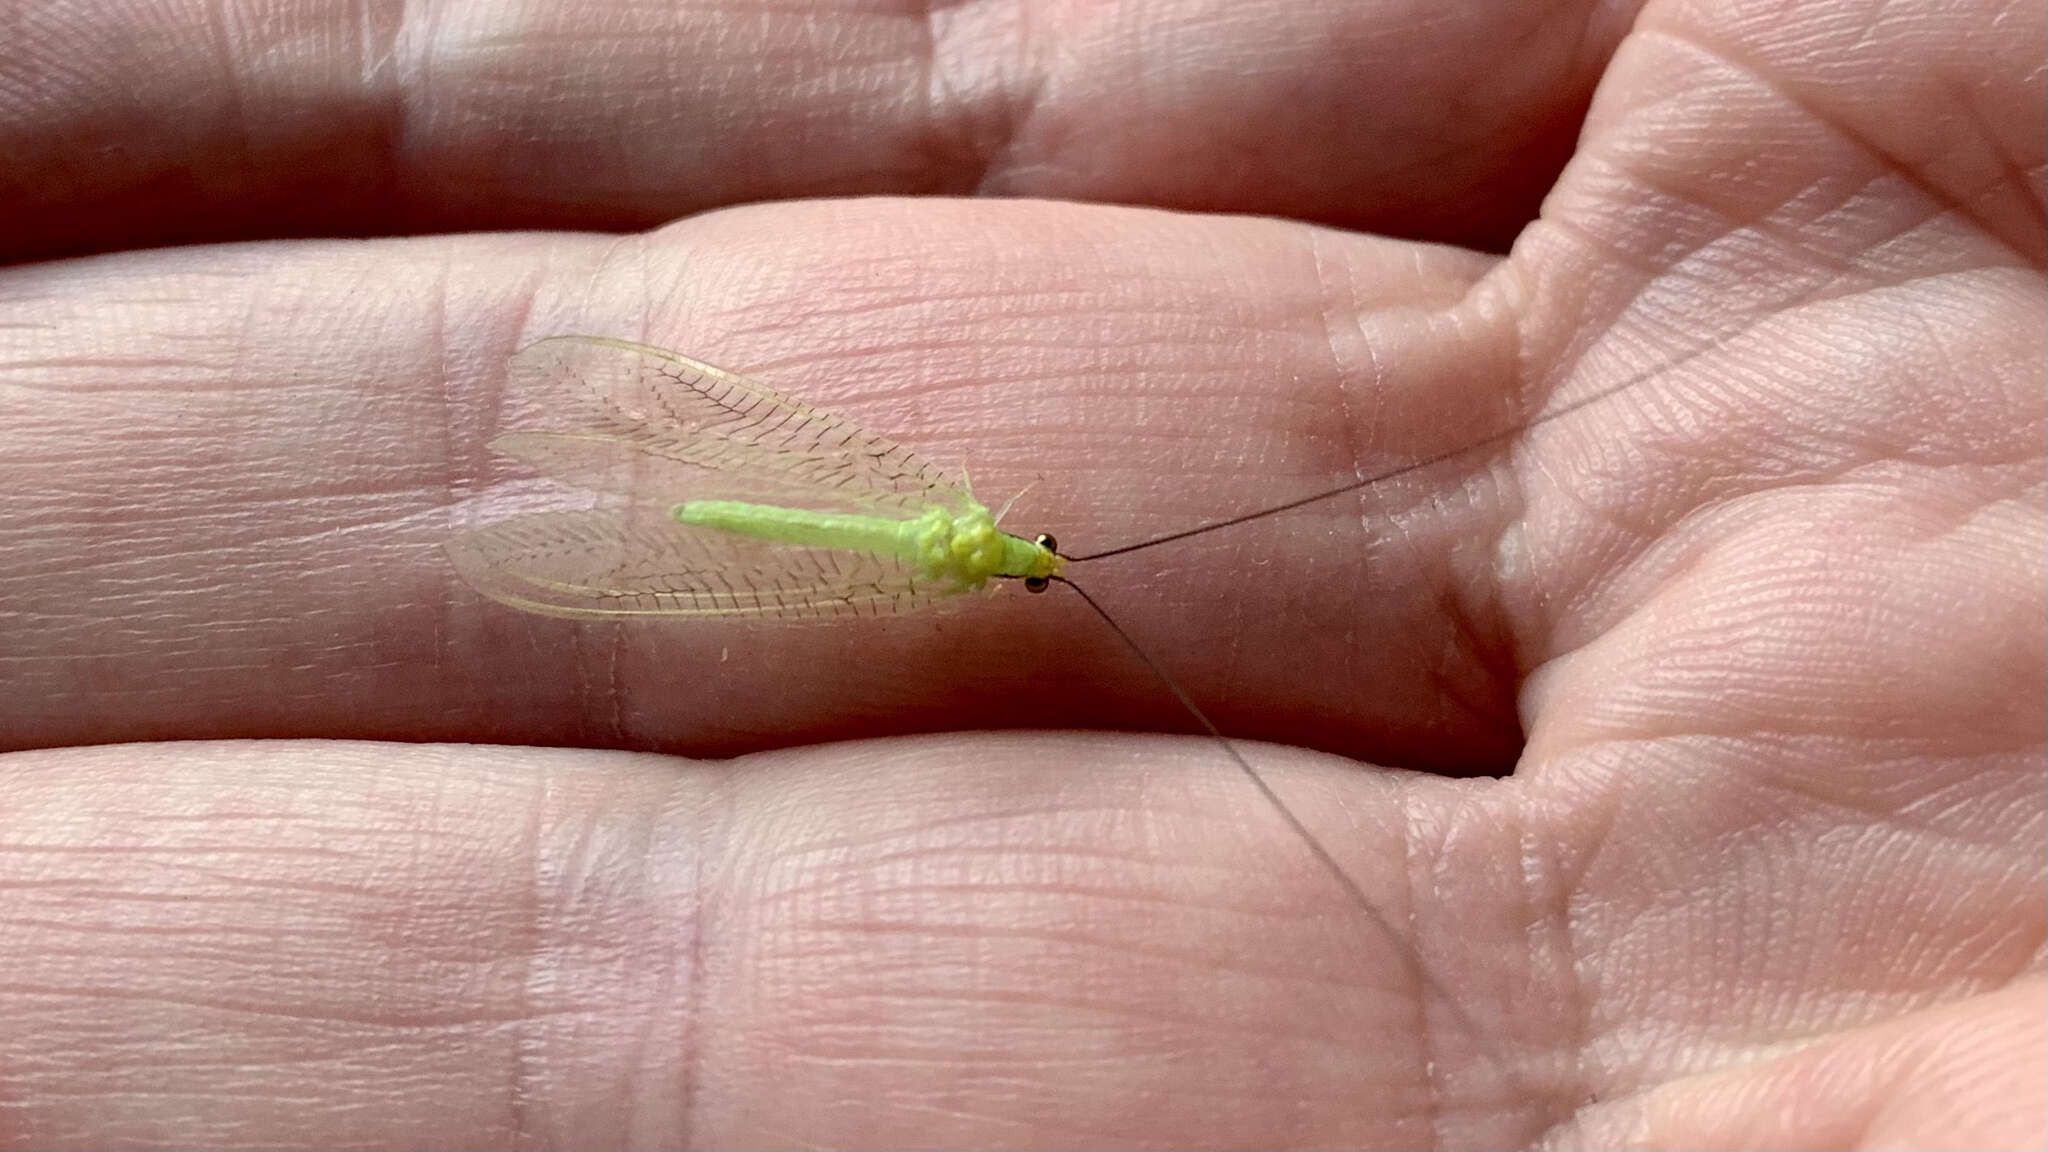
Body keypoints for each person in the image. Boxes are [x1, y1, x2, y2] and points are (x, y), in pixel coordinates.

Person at [0, 0, 2040, 1145]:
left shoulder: (953, 545)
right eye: (1038, 558)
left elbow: (910, 530)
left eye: (1034, 560)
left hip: (765, 517)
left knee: (720, 534)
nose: (1036, 557)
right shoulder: (960, 551)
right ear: (1014, 555)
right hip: (759, 502)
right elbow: (897, 526)